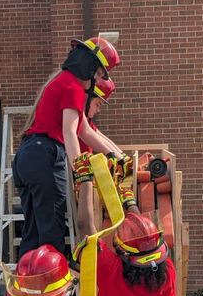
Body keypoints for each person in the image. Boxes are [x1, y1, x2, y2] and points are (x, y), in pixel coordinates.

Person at [12, 36, 123, 259]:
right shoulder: (73, 87)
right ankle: (50, 279)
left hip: (29, 156)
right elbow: (70, 132)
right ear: (89, 66)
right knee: (51, 233)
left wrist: (117, 156)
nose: (97, 79)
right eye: (98, 73)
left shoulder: (63, 82)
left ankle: (27, 278)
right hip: (45, 156)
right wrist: (81, 173)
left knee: (33, 233)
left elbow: (85, 131)